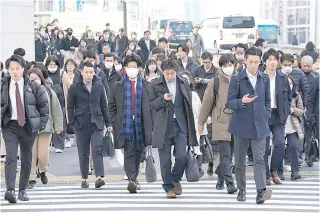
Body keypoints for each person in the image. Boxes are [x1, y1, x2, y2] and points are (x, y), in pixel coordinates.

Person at [226, 47, 272, 204]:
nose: (254, 65)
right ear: (245, 61)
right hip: (241, 126)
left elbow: (267, 101)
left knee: (259, 160)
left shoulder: (264, 79)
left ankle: (260, 191)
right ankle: (242, 189)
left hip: (260, 125)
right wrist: (241, 101)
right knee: (240, 161)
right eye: (251, 62)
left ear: (260, 62)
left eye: (257, 62)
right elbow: (229, 102)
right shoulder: (237, 79)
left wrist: (266, 115)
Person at [1, 55, 49, 203]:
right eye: (11, 69)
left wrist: (39, 124)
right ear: (7, 70)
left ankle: (22, 190)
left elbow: (43, 107)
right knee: (10, 156)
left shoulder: (33, 86)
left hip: (28, 126)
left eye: (17, 68)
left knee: (27, 158)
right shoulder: (3, 85)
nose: (15, 72)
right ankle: (10, 190)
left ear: (23, 69)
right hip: (10, 125)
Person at [149, 59, 198, 199]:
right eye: (166, 73)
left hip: (181, 124)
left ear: (176, 71)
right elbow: (151, 104)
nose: (169, 76)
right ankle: (168, 187)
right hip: (163, 126)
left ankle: (175, 179)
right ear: (162, 72)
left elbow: (187, 105)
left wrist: (191, 127)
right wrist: (163, 99)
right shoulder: (155, 84)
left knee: (182, 156)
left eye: (172, 73)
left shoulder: (183, 82)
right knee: (165, 161)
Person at [109, 55, 152, 193]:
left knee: (139, 152)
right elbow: (112, 106)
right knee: (129, 151)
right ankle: (131, 179)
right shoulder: (117, 86)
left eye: (134, 67)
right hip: (125, 124)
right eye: (129, 66)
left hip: (141, 123)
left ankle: (134, 176)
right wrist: (114, 121)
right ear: (125, 68)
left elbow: (151, 106)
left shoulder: (146, 85)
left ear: (139, 68)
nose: (132, 69)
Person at [67, 62, 112, 189]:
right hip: (81, 123)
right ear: (81, 72)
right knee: (83, 152)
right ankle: (84, 178)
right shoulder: (74, 87)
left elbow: (104, 105)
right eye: (86, 72)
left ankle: (99, 177)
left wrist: (108, 123)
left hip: (97, 122)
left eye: (91, 72)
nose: (89, 75)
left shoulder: (99, 86)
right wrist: (72, 122)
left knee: (97, 149)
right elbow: (70, 106)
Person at [197, 53, 238, 194]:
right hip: (221, 122)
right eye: (225, 65)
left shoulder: (240, 80)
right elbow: (206, 103)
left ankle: (221, 177)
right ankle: (230, 183)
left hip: (238, 123)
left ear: (235, 65)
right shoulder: (215, 82)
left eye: (230, 65)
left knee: (231, 154)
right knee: (225, 154)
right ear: (220, 67)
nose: (228, 68)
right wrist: (201, 122)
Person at [27, 68, 63, 189]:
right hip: (30, 128)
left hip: (45, 127)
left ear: (41, 79)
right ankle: (31, 178)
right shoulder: (24, 92)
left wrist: (58, 127)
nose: (33, 81)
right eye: (31, 79)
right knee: (31, 154)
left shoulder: (49, 92)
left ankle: (42, 171)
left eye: (35, 79)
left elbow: (56, 110)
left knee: (42, 155)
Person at [262, 49, 291, 186]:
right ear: (265, 62)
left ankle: (274, 170)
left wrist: (285, 113)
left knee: (280, 143)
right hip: (264, 115)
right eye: (270, 60)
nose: (272, 63)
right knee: (264, 146)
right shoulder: (260, 77)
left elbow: (289, 97)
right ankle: (265, 173)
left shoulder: (282, 78)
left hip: (279, 115)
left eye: (274, 60)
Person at [45, 56, 71, 151]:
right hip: (47, 103)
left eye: (54, 64)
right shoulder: (44, 74)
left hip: (61, 103)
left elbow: (69, 86)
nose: (52, 66)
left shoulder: (62, 74)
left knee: (60, 123)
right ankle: (51, 142)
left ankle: (59, 145)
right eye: (50, 64)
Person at [284, 75, 304, 180]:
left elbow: (301, 110)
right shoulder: (277, 95)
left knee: (294, 147)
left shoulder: (296, 95)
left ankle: (295, 171)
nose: (289, 85)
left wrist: (292, 110)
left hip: (292, 125)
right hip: (280, 125)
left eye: (291, 83)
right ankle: (277, 171)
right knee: (278, 147)